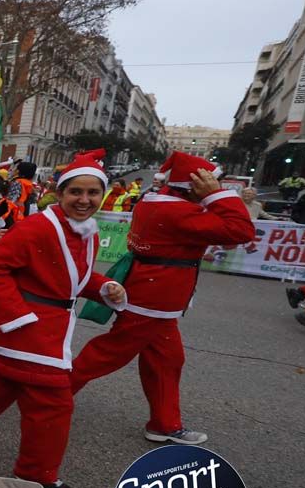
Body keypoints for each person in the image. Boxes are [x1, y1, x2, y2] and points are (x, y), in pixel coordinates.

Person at [0, 150, 127, 488]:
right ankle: (36, 475)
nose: (84, 200)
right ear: (60, 193)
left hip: (39, 330)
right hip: (31, 333)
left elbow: (72, 278)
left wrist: (103, 287)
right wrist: (16, 315)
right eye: (76, 192)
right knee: (53, 404)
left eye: (92, 193)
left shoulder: (85, 230)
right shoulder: (39, 226)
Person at [70, 152, 256, 445]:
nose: (215, 184)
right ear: (193, 184)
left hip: (156, 296)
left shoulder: (159, 203)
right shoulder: (177, 211)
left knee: (166, 361)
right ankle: (50, 393)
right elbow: (241, 230)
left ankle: (164, 423)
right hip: (155, 298)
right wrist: (216, 196)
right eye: (209, 180)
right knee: (108, 354)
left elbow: (230, 233)